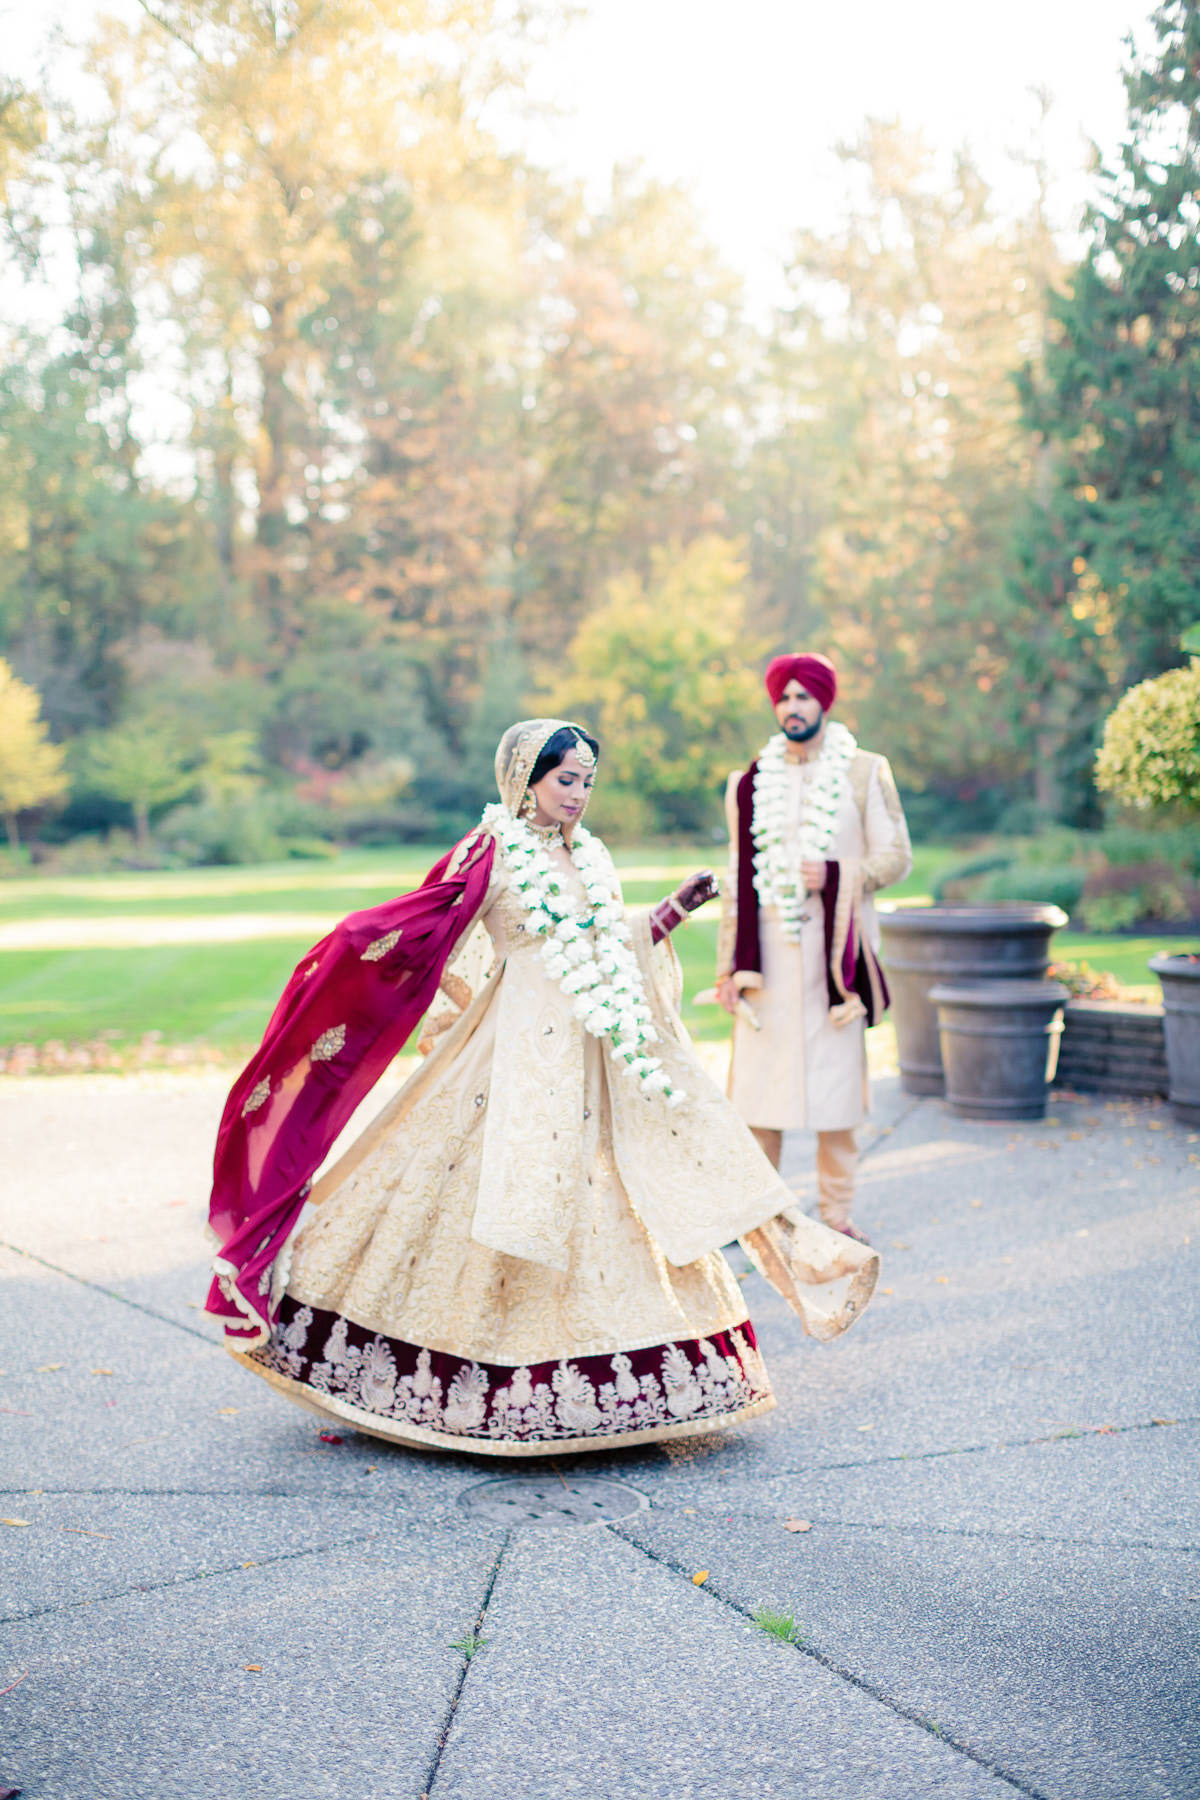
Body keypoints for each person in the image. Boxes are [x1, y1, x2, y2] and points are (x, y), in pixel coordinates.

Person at [206, 718, 877, 1456]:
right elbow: (429, 926)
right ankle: (459, 1381)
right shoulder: (491, 850)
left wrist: (673, 912)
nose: (579, 795)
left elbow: (603, 946)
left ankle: (627, 1385)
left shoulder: (590, 856)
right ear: (527, 779)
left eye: (588, 781)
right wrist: (359, 962)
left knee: (609, 1192)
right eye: (566, 780)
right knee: (486, 1185)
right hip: (510, 1050)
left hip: (588, 1054)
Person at [716, 656, 912, 1244]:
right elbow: (736, 875)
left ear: (824, 702)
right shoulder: (747, 781)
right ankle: (760, 1214)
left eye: (804, 697)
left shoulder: (865, 771)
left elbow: (897, 857)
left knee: (836, 1098)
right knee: (757, 1095)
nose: (793, 708)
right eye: (783, 698)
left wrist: (835, 874)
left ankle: (837, 1212)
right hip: (767, 960)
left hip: (835, 963)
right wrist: (729, 965)